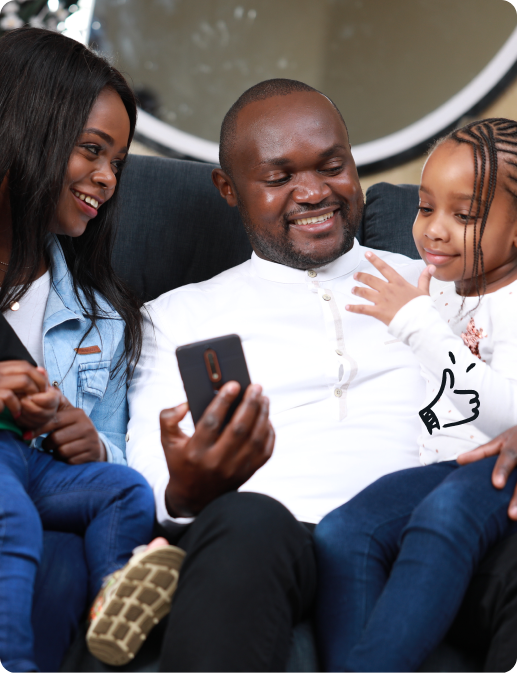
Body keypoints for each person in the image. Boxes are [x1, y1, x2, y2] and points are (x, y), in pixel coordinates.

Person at [127, 80, 517, 671]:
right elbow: (155, 478)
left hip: (432, 529)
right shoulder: (175, 317)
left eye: (332, 167)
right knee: (248, 521)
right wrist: (187, 487)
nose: (314, 192)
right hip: (274, 535)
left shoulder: (444, 284)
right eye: (280, 177)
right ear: (228, 189)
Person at [0, 27, 183, 673]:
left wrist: (92, 443)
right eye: (91, 150)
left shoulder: (104, 322)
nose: (107, 179)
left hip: (44, 484)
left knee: (109, 504)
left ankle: (116, 596)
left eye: (118, 163)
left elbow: (122, 455)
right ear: (27, 128)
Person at [314, 117, 517, 672]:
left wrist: (417, 325)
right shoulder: (445, 287)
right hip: (449, 466)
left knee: (443, 516)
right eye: (426, 208)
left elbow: (508, 416)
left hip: (502, 463)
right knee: (343, 532)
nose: (434, 230)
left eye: (464, 216)